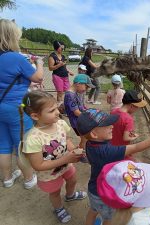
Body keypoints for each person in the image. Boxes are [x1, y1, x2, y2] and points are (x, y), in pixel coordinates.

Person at [75, 109, 150, 225]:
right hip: (105, 193)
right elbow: (136, 148)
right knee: (109, 218)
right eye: (107, 125)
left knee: (93, 210)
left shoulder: (90, 143)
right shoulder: (107, 151)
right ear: (94, 134)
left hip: (93, 188)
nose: (112, 126)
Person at [19, 90, 87, 223]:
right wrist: (66, 158)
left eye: (56, 107)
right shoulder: (33, 138)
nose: (57, 112)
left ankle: (70, 195)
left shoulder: (60, 124)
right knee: (55, 193)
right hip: (48, 174)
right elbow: (38, 165)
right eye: (51, 111)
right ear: (35, 116)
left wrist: (74, 150)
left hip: (66, 165)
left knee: (72, 180)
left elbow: (66, 140)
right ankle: (59, 208)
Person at [0, 18, 43, 189]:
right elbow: (39, 77)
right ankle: (28, 178)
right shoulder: (15, 58)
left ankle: (7, 178)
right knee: (22, 144)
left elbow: (9, 80)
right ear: (12, 36)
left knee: (3, 144)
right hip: (16, 108)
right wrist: (39, 63)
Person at [64, 71, 95, 149]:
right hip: (77, 122)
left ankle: (81, 149)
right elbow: (76, 112)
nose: (86, 89)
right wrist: (88, 115)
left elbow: (81, 106)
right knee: (84, 139)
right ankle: (82, 153)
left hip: (80, 120)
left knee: (85, 138)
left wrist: (88, 110)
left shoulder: (75, 93)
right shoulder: (70, 95)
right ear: (78, 84)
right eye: (86, 87)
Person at [48, 40, 74, 104]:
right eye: (61, 48)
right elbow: (50, 68)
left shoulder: (63, 56)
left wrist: (68, 71)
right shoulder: (52, 56)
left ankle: (63, 105)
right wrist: (59, 65)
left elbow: (64, 67)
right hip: (57, 76)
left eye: (63, 48)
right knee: (60, 92)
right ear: (57, 47)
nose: (63, 49)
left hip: (65, 76)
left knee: (68, 91)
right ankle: (60, 106)